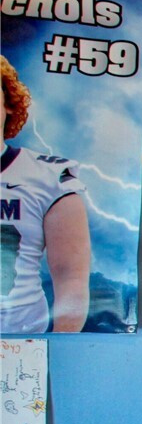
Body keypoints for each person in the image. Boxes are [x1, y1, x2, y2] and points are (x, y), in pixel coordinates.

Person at [1, 55, 91, 333]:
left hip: (20, 340)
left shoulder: (48, 176)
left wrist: (60, 346)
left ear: (8, 102)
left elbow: (71, 278)